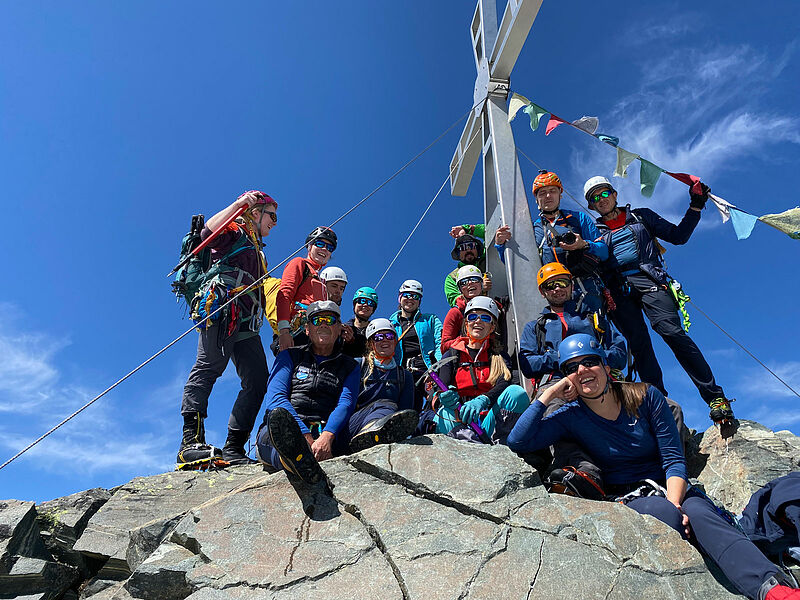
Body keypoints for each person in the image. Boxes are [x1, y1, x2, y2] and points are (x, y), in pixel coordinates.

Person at [507, 334, 799, 600]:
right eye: (571, 367)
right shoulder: (570, 415)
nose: (582, 370)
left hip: (671, 484)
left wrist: (676, 503)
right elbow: (519, 441)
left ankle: (772, 589)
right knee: (663, 517)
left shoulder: (645, 397)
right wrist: (550, 394)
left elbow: (673, 458)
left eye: (590, 361)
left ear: (607, 367)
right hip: (628, 496)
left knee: (700, 513)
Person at [584, 175, 735, 431]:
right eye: (595, 198)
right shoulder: (592, 230)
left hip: (650, 280)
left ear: (614, 194)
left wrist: (695, 207)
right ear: (591, 205)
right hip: (617, 291)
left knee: (672, 332)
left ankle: (715, 397)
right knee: (639, 346)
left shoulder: (641, 216)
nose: (601, 200)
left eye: (604, 193)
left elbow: (678, 236)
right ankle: (659, 404)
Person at [178, 190, 277, 468]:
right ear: (256, 213)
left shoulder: (257, 250)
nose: (275, 222)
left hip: (246, 318)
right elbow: (206, 234)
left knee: (258, 379)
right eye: (272, 215)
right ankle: (189, 443)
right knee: (208, 366)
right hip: (224, 307)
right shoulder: (236, 230)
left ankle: (233, 447)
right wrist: (238, 205)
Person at [255, 300, 359, 484]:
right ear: (307, 329)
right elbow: (276, 398)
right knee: (278, 428)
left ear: (339, 329)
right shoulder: (288, 356)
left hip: (325, 433)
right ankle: (292, 460)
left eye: (330, 320)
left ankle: (300, 459)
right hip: (286, 429)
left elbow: (346, 402)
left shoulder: (350, 366)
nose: (324, 324)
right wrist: (305, 437)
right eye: (317, 320)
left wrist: (327, 436)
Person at [494, 170, 608, 312]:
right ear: (536, 199)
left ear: (560, 195)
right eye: (542, 193)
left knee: (597, 331)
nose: (548, 196)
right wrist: (500, 245)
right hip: (553, 294)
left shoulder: (579, 218)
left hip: (586, 289)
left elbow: (604, 251)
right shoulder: (530, 229)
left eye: (552, 191)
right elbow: (517, 265)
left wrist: (584, 244)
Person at [431, 296, 529, 443]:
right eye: (472, 317)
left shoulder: (500, 356)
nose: (478, 321)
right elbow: (442, 383)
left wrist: (484, 399)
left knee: (516, 393)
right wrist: (445, 396)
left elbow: (504, 383)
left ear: (492, 326)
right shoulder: (451, 354)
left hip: (490, 418)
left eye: (485, 317)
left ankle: (502, 444)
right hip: (460, 417)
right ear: (466, 324)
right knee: (443, 413)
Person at [349, 318, 418, 452]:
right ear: (370, 343)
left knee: (390, 408)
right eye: (379, 337)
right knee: (386, 404)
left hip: (388, 426)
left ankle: (375, 434)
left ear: (395, 341)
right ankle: (371, 431)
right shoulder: (358, 366)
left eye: (389, 336)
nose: (384, 340)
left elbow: (404, 414)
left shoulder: (404, 376)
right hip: (354, 424)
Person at [274, 226, 335, 353]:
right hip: (297, 334)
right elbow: (284, 294)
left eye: (329, 248)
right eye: (320, 243)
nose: (324, 249)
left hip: (316, 334)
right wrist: (284, 331)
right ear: (309, 246)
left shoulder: (322, 281)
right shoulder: (299, 263)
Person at [389, 280, 443, 411]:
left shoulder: (430, 319)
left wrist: (437, 366)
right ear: (400, 297)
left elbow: (439, 341)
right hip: (402, 371)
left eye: (415, 296)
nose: (410, 299)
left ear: (419, 301)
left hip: (427, 369)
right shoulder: (390, 324)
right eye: (407, 295)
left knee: (436, 402)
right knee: (406, 407)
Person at [441, 265, 501, 352]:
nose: (469, 283)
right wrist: (469, 341)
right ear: (460, 290)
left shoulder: (495, 308)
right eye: (464, 282)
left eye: (474, 280)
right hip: (465, 359)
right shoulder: (456, 312)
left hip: (492, 356)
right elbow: (444, 346)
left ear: (481, 284)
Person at [444, 225, 489, 307]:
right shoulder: (452, 278)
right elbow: (456, 302)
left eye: (471, 246)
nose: (468, 250)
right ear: (458, 254)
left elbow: (490, 230)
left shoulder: (488, 258)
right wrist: (480, 289)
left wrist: (468, 229)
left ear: (477, 250)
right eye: (463, 247)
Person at [341, 286, 378, 359]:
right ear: (355, 305)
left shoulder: (376, 332)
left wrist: (353, 342)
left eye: (370, 303)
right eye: (362, 301)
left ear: (373, 309)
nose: (365, 305)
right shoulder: (343, 329)